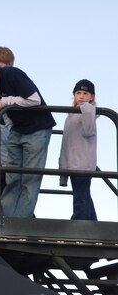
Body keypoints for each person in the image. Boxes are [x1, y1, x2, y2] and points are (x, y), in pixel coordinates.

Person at [0, 56, 56, 218]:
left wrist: (5, 101)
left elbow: (34, 99)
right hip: (17, 130)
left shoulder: (11, 74)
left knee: (29, 177)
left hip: (37, 129)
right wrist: (10, 127)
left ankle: (21, 220)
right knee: (11, 175)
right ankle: (6, 218)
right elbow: (4, 115)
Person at [59, 79, 98, 220]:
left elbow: (88, 130)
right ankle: (94, 224)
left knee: (81, 197)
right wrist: (62, 168)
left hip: (83, 165)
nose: (81, 96)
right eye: (78, 93)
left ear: (91, 96)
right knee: (83, 195)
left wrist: (87, 109)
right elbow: (66, 143)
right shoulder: (70, 115)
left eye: (85, 93)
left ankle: (79, 224)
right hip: (71, 163)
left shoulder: (89, 112)